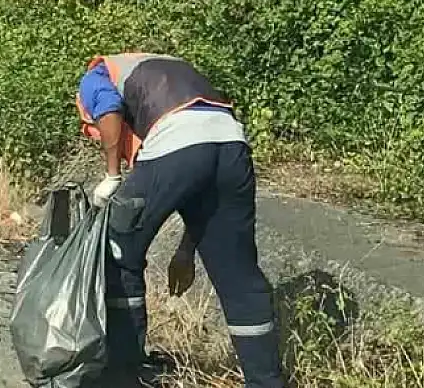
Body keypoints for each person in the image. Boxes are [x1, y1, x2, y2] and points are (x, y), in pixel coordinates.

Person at [77, 52, 285, 388]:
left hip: (176, 141)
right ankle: (266, 382)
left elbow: (108, 110)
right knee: (239, 277)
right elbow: (201, 192)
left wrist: (112, 175)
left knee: (118, 249)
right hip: (232, 144)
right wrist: (187, 252)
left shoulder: (94, 78)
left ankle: (122, 373)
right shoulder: (164, 68)